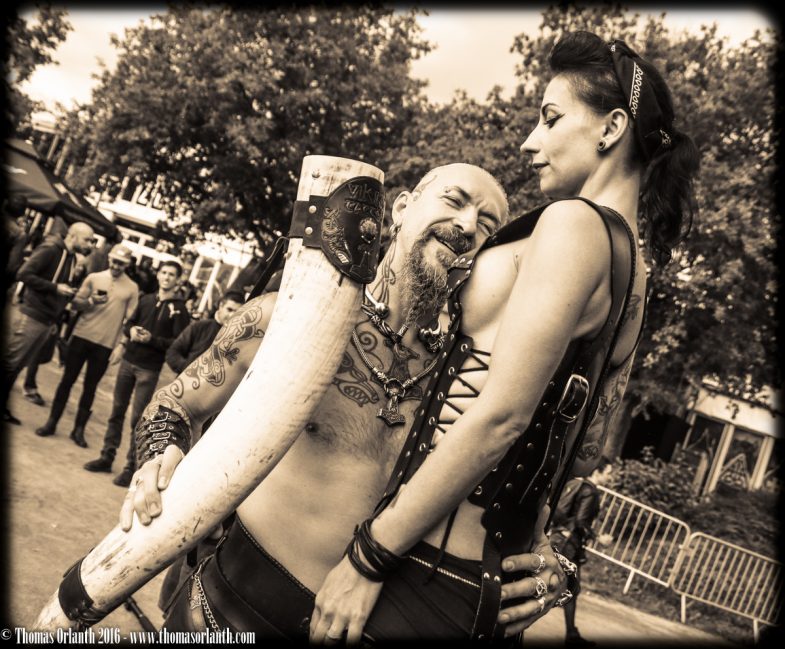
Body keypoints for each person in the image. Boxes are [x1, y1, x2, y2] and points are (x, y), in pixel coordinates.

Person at [308, 30, 699, 643]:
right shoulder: (634, 267)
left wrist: (368, 558)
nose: (530, 141)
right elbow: (583, 449)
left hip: (422, 570)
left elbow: (500, 417)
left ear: (611, 127)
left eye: (550, 118)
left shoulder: (573, 225)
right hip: (475, 584)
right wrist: (554, 559)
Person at [120, 163, 564, 639]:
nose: (468, 225)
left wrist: (552, 563)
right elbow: (176, 405)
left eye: (488, 224)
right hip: (227, 613)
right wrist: (159, 452)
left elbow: (516, 507)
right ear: (401, 208)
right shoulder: (290, 317)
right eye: (454, 201)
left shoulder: (474, 379)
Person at [83, 260, 189, 486]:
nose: (166, 277)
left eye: (171, 274)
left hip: (149, 369)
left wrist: (152, 339)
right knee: (116, 411)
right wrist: (130, 330)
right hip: (128, 362)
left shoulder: (180, 309)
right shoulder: (146, 299)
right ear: (158, 275)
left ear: (178, 280)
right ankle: (106, 456)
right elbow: (128, 323)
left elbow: (177, 343)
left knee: (138, 419)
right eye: (163, 272)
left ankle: (130, 467)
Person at [34, 244, 139, 446]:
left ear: (127, 265)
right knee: (67, 380)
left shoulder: (132, 288)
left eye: (121, 263)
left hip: (105, 343)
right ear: (109, 259)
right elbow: (75, 303)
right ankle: (51, 422)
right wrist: (91, 301)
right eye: (114, 261)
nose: (116, 266)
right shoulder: (94, 277)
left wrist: (122, 344)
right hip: (82, 336)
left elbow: (130, 320)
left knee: (90, 387)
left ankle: (78, 430)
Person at [1, 221, 96, 426]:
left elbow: (60, 286)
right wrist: (55, 288)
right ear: (73, 236)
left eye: (92, 241)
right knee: (11, 362)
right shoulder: (51, 249)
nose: (90, 244)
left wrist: (69, 296)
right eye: (87, 240)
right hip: (32, 315)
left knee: (18, 365)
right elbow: (23, 273)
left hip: (46, 319)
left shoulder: (71, 257)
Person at [550, 457, 614, 647]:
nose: (610, 477)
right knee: (562, 585)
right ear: (597, 472)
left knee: (569, 587)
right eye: (608, 473)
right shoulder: (590, 492)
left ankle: (572, 634)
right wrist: (598, 537)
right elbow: (580, 521)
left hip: (564, 540)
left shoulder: (580, 486)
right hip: (568, 545)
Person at [164, 293, 243, 376]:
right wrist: (188, 370)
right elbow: (172, 352)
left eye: (236, 312)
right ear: (221, 306)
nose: (232, 315)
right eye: (229, 310)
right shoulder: (200, 326)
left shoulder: (237, 339)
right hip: (186, 381)